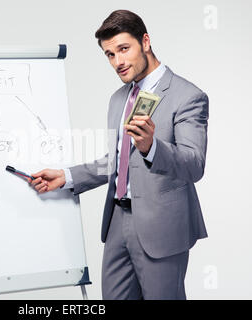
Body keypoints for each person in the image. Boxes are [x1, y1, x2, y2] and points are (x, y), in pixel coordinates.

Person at [27, 9, 209, 300]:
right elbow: (118, 161)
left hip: (161, 228)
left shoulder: (187, 96)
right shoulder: (119, 99)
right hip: (116, 224)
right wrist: (67, 176)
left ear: (145, 42)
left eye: (124, 49)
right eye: (110, 55)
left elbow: (194, 164)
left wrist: (153, 147)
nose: (118, 62)